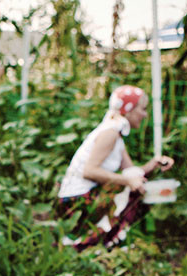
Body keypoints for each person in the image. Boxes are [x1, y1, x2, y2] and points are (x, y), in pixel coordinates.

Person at [57, 85, 174, 251]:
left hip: (88, 195)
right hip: (76, 200)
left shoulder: (117, 133)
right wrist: (127, 181)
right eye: (142, 109)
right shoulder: (110, 132)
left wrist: (154, 164)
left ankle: (101, 238)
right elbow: (89, 171)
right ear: (128, 109)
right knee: (129, 191)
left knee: (135, 187)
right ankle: (88, 241)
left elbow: (131, 172)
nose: (145, 114)